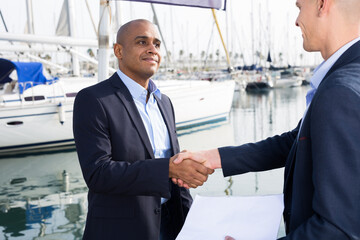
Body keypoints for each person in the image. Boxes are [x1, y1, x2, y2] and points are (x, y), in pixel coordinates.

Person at [173, 0, 360, 239]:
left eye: (299, 7)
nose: (296, 20)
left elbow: (339, 230)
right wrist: (212, 158)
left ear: (322, 4)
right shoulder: (349, 75)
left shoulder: (339, 91)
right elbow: (298, 140)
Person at [73, 19, 213, 240]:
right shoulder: (93, 99)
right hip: (120, 232)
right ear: (119, 51)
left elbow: (176, 172)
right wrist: (167, 169)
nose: (152, 49)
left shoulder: (164, 102)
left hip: (171, 226)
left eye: (157, 44)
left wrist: (193, 225)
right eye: (142, 42)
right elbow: (98, 174)